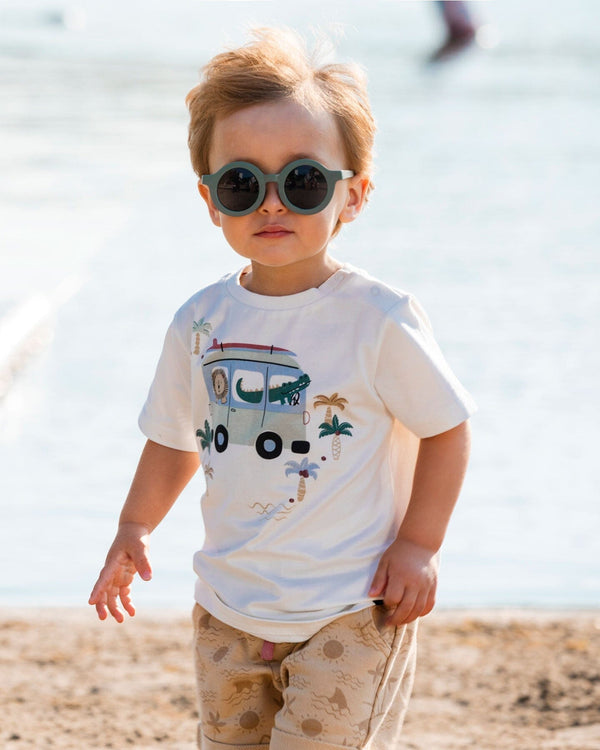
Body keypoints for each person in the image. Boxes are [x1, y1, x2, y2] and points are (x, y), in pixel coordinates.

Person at [89, 27, 476, 750]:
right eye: (242, 183)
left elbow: (447, 428)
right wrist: (133, 529)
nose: (271, 204)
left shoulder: (378, 319)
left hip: (352, 608)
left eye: (301, 182)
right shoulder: (200, 321)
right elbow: (173, 438)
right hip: (228, 604)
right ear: (210, 199)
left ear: (353, 195)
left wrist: (420, 545)